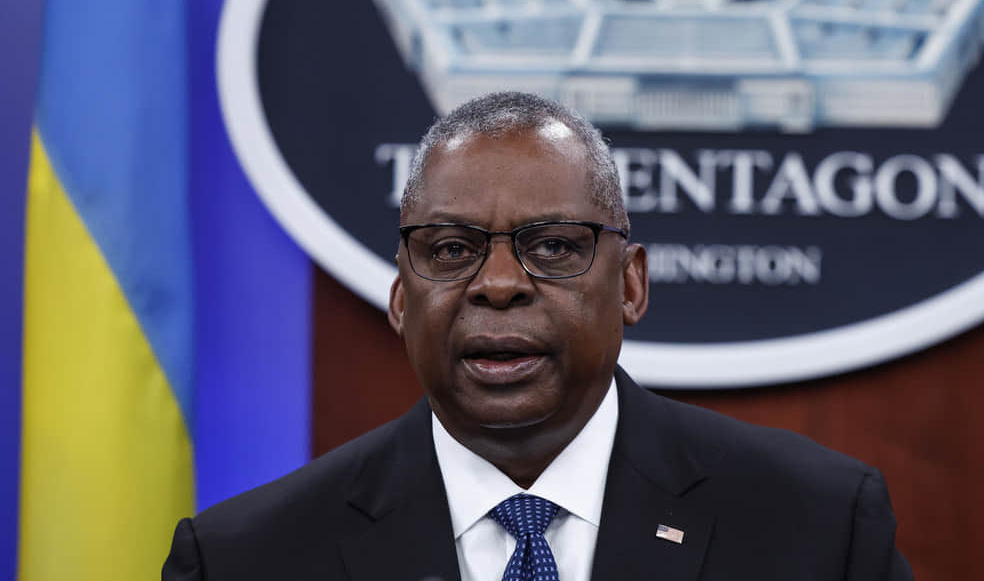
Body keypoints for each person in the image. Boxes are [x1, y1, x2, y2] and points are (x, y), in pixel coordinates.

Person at [162, 92, 912, 581]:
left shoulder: (817, 527)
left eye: (553, 246)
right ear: (400, 299)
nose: (498, 284)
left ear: (630, 285)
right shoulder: (246, 559)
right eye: (451, 249)